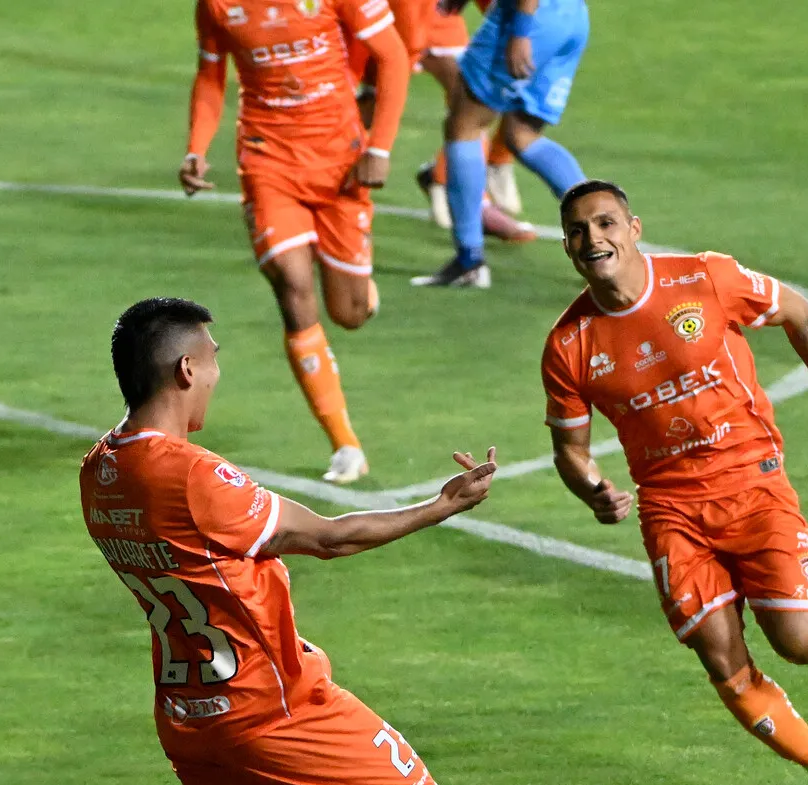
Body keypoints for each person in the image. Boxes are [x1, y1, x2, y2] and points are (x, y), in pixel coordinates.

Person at [81, 297, 497, 785]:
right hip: (275, 708)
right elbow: (329, 537)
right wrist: (440, 506)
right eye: (212, 360)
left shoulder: (97, 472)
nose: (215, 374)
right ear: (186, 370)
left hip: (194, 720)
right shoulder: (191, 477)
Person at [541, 180, 808, 785]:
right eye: (578, 230)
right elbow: (570, 449)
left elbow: (796, 311)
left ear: (634, 227)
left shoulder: (706, 278)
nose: (593, 239)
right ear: (567, 246)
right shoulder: (569, 345)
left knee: (804, 645)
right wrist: (594, 489)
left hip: (752, 485)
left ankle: (774, 589)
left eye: (605, 223)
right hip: (671, 511)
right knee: (719, 653)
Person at [179, 0, 411, 484]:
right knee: (292, 283)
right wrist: (196, 148)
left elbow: (392, 55)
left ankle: (358, 289)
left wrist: (381, 146)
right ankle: (345, 444)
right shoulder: (217, 6)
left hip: (340, 160)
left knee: (348, 313)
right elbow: (210, 74)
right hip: (268, 161)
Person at [413, 0, 589, 288]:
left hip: (526, 19)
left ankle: (469, 262)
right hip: (571, 17)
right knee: (522, 136)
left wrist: (520, 33)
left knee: (464, 125)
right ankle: (611, 239)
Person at [413, 0, 530, 231]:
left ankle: (470, 179)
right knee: (367, 103)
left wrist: (517, 28)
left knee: (500, 83)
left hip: (438, 19)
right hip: (392, 18)